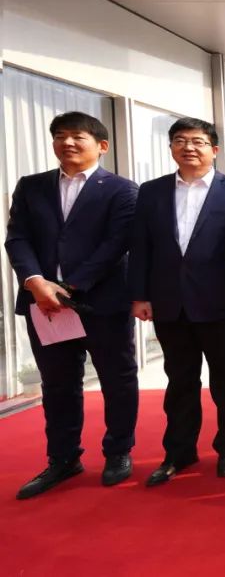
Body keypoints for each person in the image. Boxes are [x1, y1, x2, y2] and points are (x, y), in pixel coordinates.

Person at [5, 111, 140, 499]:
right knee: (57, 384)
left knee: (117, 379)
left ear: (101, 145)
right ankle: (63, 458)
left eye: (77, 136)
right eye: (60, 136)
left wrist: (70, 286)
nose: (67, 142)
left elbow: (116, 245)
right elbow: (17, 238)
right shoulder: (31, 187)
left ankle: (118, 451)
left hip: (102, 304)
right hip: (44, 304)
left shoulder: (123, 190)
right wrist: (35, 281)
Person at [128, 117, 225, 485]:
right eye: (180, 141)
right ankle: (179, 452)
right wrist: (139, 295)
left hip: (221, 301)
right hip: (169, 302)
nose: (189, 148)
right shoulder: (151, 192)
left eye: (198, 141)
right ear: (171, 148)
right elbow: (140, 247)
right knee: (180, 381)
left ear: (214, 150)